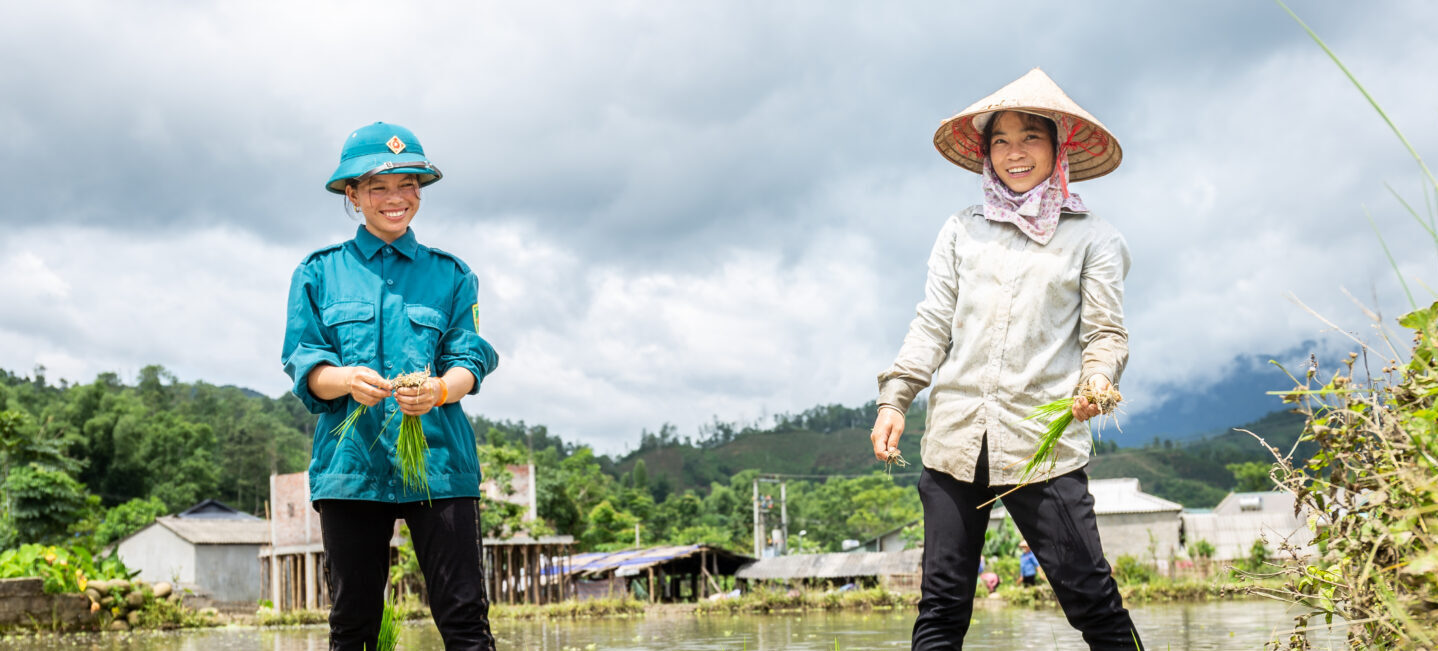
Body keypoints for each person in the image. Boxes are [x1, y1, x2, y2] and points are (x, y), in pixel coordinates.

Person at [870, 68, 1143, 649]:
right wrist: (896, 397)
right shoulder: (961, 232)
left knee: (1093, 601)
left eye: (1029, 138)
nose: (1014, 153)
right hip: (954, 443)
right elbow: (932, 323)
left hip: (1040, 448)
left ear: (1056, 146)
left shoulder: (1094, 238)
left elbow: (1105, 334)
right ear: (986, 153)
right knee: (941, 608)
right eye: (1001, 140)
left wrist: (1097, 382)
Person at [282, 122, 499, 651]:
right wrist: (346, 380)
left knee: (465, 619)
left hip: (440, 463)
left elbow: (469, 356)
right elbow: (304, 364)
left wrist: (440, 391)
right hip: (351, 466)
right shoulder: (319, 273)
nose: (395, 198)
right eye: (378, 186)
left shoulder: (452, 275)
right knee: (352, 622)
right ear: (352, 195)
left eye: (408, 184)